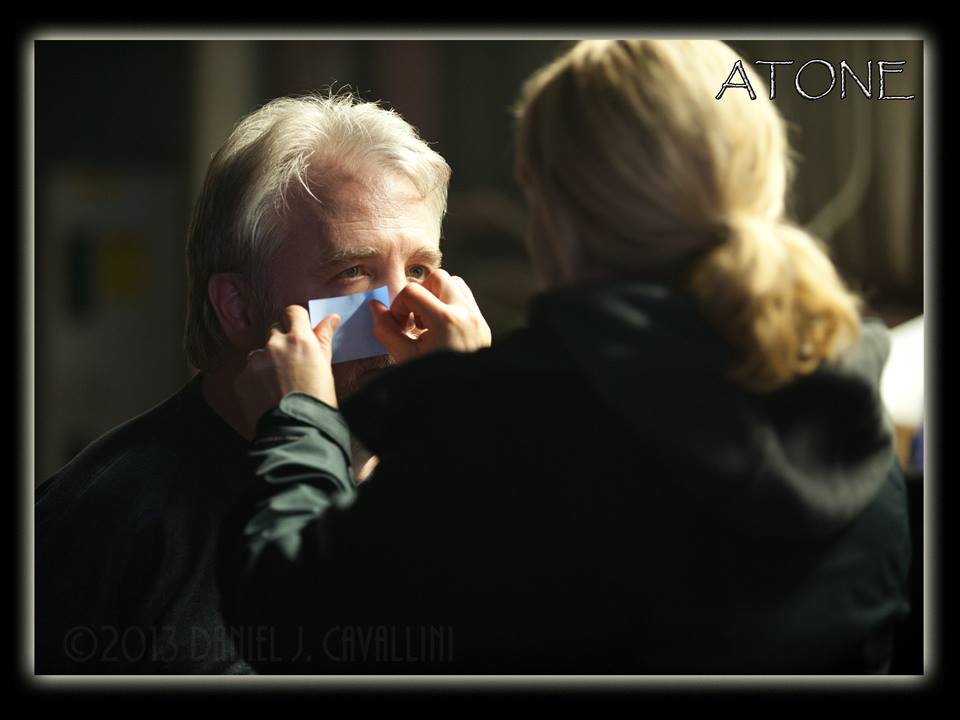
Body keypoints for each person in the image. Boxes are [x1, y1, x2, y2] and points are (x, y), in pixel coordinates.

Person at [220, 40, 912, 674]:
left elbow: (296, 623)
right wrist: (460, 398)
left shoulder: (529, 437)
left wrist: (302, 417)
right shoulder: (855, 418)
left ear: (556, 211)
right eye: (351, 271)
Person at [34, 91, 462, 673]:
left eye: (418, 270)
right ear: (237, 307)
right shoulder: (101, 526)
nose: (403, 312)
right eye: (353, 272)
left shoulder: (447, 487)